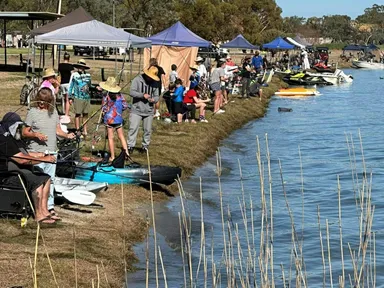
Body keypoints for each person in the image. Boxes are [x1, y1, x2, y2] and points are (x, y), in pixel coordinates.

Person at [22, 88, 75, 220]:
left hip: (52, 151)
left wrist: (68, 135)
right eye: (39, 100)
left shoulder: (54, 112)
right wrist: (35, 135)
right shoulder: (32, 113)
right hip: (36, 153)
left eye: (44, 101)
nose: (41, 103)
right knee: (38, 181)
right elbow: (24, 132)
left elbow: (58, 130)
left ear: (49, 101)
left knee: (50, 181)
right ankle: (38, 209)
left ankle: (48, 207)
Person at [0, 112, 56, 224]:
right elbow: (22, 160)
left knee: (46, 177)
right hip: (7, 176)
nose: (19, 129)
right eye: (16, 126)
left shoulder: (14, 139)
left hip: (18, 172)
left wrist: (39, 155)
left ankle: (45, 211)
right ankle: (38, 215)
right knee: (37, 181)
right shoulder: (4, 140)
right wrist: (44, 160)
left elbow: (24, 153)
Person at [128, 66, 160, 153]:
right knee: (133, 128)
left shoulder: (156, 83)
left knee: (147, 130)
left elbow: (157, 96)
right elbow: (131, 92)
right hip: (136, 109)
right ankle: (130, 146)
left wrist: (154, 100)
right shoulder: (137, 80)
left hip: (149, 110)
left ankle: (145, 146)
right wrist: (142, 95)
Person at [100, 77, 129, 161]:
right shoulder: (120, 96)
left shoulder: (105, 96)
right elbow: (125, 106)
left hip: (109, 120)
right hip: (118, 118)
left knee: (110, 137)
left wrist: (104, 114)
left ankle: (112, 156)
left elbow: (104, 108)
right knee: (121, 136)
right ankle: (126, 154)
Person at [68, 59, 92, 137]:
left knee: (85, 114)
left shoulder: (88, 76)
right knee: (78, 114)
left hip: (87, 97)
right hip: (78, 97)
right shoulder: (74, 75)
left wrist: (96, 88)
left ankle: (85, 130)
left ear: (84, 68)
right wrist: (70, 97)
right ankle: (77, 130)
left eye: (82, 67)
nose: (80, 68)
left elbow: (90, 86)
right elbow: (71, 86)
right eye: (79, 67)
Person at [58, 53, 74, 122]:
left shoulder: (60, 65)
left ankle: (64, 111)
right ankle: (66, 114)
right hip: (68, 84)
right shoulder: (70, 66)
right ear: (69, 58)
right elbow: (72, 74)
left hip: (62, 84)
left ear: (63, 58)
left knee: (64, 99)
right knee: (68, 99)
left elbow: (59, 74)